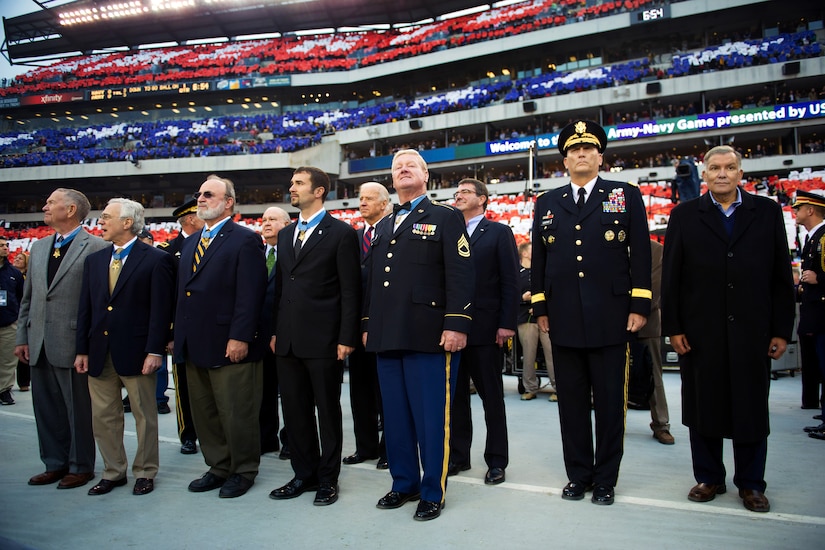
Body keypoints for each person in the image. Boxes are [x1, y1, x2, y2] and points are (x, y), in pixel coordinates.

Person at [662, 145, 795, 513]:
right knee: (703, 406)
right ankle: (709, 477)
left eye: (730, 167)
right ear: (704, 174)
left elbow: (781, 276)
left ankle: (751, 483)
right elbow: (671, 278)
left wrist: (781, 330)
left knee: (751, 409)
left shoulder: (766, 212)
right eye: (715, 168)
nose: (722, 173)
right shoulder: (684, 215)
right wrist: (673, 326)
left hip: (753, 331)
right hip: (700, 333)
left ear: (740, 173)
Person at [531, 120, 652, 506]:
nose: (581, 155)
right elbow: (540, 263)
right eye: (573, 150)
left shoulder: (625, 195)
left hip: (612, 316)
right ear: (564, 160)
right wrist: (540, 307)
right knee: (571, 403)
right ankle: (578, 475)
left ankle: (605, 479)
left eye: (588, 149)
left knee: (611, 404)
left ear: (601, 156)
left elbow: (641, 255)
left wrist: (639, 305)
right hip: (563, 316)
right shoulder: (546, 203)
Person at [362, 149, 475, 521]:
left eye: (411, 165)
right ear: (392, 180)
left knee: (431, 418)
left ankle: (432, 490)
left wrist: (456, 323)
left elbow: (460, 274)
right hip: (387, 335)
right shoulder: (385, 223)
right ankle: (403, 482)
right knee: (395, 418)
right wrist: (367, 325)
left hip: (430, 335)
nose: (403, 170)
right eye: (397, 168)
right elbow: (373, 284)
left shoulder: (446, 217)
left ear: (426, 175)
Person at [269, 167, 360, 507]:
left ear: (319, 191)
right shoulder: (288, 232)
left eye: (299, 183)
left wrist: (346, 337)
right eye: (292, 183)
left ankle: (327, 479)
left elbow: (350, 290)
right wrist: (278, 331)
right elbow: (281, 288)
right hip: (288, 340)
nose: (291, 188)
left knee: (327, 411)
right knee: (294, 412)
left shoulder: (341, 233)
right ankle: (302, 474)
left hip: (324, 340)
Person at [174, 174, 268, 499]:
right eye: (199, 193)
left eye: (209, 194)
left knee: (236, 411)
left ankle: (243, 470)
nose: (200, 199)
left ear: (228, 202)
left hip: (230, 343)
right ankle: (218, 465)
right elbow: (183, 294)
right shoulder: (190, 242)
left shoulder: (245, 240)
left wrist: (241, 336)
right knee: (205, 412)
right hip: (194, 342)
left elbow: (251, 294)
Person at [75, 198, 174, 496]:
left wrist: (154, 350)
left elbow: (161, 310)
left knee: (144, 416)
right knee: (103, 417)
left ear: (127, 222)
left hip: (137, 353)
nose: (100, 222)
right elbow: (86, 309)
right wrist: (81, 349)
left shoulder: (157, 259)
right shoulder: (94, 261)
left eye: (106, 217)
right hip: (99, 352)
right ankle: (113, 471)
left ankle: (145, 471)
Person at [15, 188, 108, 490]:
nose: (44, 206)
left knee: (77, 410)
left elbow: (98, 302)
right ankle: (54, 463)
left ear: (70, 210)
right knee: (45, 409)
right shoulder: (40, 248)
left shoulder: (96, 247)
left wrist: (88, 346)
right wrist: (22, 336)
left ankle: (81, 466)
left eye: (51, 202)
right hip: (38, 339)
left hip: (73, 343)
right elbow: (29, 299)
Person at [448, 177, 518, 485]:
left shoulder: (499, 233)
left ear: (483, 199)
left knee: (492, 398)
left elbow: (510, 282)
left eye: (465, 192)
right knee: (456, 398)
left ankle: (496, 460)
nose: (458, 196)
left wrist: (506, 323)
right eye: (457, 192)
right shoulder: (448, 232)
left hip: (487, 329)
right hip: (452, 330)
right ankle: (459, 457)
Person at [342, 182, 389, 470]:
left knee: (387, 393)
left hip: (385, 325)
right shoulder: (353, 237)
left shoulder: (395, 231)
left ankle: (389, 449)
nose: (362, 203)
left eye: (369, 198)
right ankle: (366, 447)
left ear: (384, 203)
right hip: (355, 325)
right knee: (359, 392)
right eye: (360, 198)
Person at [157, 198, 203, 455]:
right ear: (190, 219)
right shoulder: (168, 250)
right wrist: (170, 334)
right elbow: (165, 299)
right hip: (181, 332)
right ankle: (188, 434)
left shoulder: (212, 244)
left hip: (208, 328)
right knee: (184, 386)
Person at [123, 227, 171, 418]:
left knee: (158, 365)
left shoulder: (159, 258)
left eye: (147, 241)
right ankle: (131, 397)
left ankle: (159, 399)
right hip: (133, 324)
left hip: (155, 321)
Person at [791, 190, 825, 440]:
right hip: (814, 311)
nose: (795, 212)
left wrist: (818, 279)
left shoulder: (823, 237)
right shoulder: (813, 238)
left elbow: (819, 274)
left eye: (799, 208)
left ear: (811, 210)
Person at [259, 206, 291, 457]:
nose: (267, 223)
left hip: (287, 333)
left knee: (291, 392)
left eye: (273, 219)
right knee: (263, 391)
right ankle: (266, 437)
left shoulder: (293, 252)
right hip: (259, 335)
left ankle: (291, 440)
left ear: (287, 224)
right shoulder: (256, 253)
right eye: (264, 220)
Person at [638, 239, 674, 444]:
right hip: (612, 324)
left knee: (654, 376)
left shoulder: (656, 249)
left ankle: (661, 424)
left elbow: (656, 287)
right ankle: (613, 424)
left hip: (646, 322)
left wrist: (634, 310)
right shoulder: (610, 242)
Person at [515, 241, 556, 402]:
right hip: (525, 319)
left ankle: (557, 387)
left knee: (551, 353)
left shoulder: (544, 271)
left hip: (545, 318)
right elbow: (510, 295)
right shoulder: (516, 273)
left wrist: (540, 306)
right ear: (524, 253)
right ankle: (530, 387)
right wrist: (522, 298)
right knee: (528, 355)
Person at [0, 236, 24, 406]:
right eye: (1, 245)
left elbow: (22, 297)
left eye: (6, 245)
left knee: (8, 359)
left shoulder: (14, 273)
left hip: (9, 321)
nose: (5, 248)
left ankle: (4, 390)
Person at [12, 252, 30, 392]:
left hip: (19, 316)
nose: (17, 260)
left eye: (20, 258)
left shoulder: (28, 277)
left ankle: (23, 381)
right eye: (16, 258)